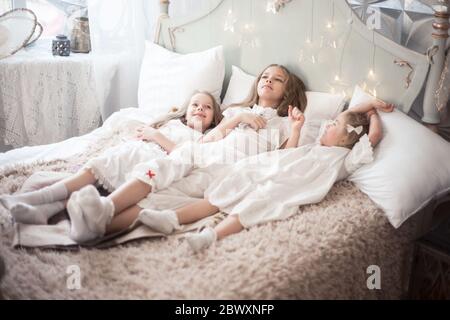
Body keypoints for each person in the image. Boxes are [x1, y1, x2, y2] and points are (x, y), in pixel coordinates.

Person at [2, 64, 308, 244]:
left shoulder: (283, 123)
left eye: (277, 78)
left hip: (226, 169)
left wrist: (295, 130)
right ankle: (105, 207)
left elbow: (285, 159)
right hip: (202, 152)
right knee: (159, 167)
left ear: (288, 89)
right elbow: (210, 137)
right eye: (264, 75)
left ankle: (92, 224)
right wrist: (237, 119)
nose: (267, 80)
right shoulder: (237, 111)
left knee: (159, 199)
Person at [138, 99, 394, 252]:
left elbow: (371, 136)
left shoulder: (345, 159)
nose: (328, 125)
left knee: (256, 202)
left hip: (288, 185)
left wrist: (372, 111)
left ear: (349, 136)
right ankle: (170, 218)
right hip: (267, 167)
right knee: (227, 187)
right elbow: (344, 122)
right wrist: (365, 106)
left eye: (335, 126)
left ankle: (211, 236)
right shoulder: (318, 144)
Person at [0, 91, 221, 239]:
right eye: (195, 104)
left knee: (100, 181)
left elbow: (182, 154)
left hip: (155, 162)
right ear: (186, 109)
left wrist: (155, 136)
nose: (200, 109)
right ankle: (47, 207)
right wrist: (150, 133)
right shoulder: (172, 122)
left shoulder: (201, 137)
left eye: (207, 107)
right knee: (97, 174)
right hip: (137, 151)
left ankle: (42, 199)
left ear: (214, 118)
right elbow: (142, 133)